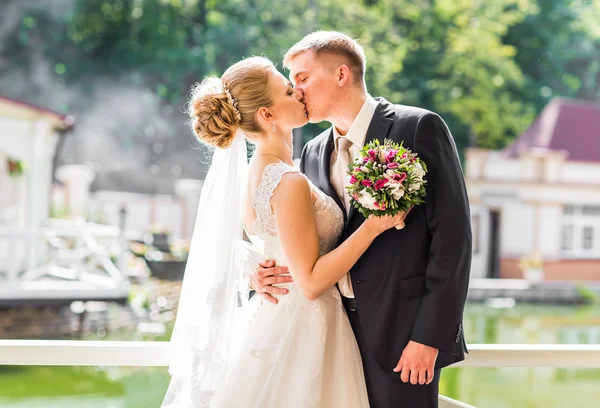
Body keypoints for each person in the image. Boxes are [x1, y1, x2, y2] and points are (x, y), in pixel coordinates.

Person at [161, 55, 410, 408]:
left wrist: (255, 275)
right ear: (267, 115)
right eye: (288, 90)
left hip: (274, 319)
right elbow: (308, 282)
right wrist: (373, 227)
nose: (299, 93)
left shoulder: (255, 174)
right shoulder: (287, 180)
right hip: (305, 330)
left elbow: (270, 252)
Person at [251, 31, 473, 407]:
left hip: (404, 339)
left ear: (341, 74)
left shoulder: (418, 128)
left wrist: (430, 337)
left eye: (303, 77)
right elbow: (304, 241)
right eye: (292, 83)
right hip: (329, 336)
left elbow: (454, 241)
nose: (297, 90)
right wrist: (263, 273)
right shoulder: (310, 153)